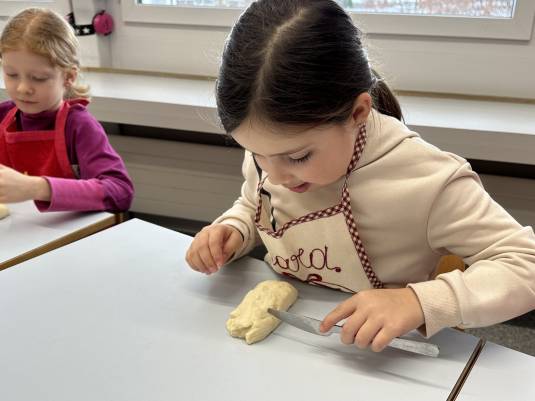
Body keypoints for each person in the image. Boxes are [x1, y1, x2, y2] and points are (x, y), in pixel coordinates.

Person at [186, 0, 535, 351]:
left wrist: (418, 302)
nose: (275, 177)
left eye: (299, 157)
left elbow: (526, 265)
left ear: (357, 113)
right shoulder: (274, 154)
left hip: (379, 352)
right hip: (290, 337)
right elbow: (255, 203)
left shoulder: (427, 181)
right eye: (257, 155)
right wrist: (234, 229)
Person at [0, 8, 133, 212]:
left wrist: (36, 188)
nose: (22, 88)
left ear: (68, 77)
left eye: (38, 78)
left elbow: (120, 192)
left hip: (71, 230)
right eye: (11, 74)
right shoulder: (2, 115)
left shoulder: (79, 126)